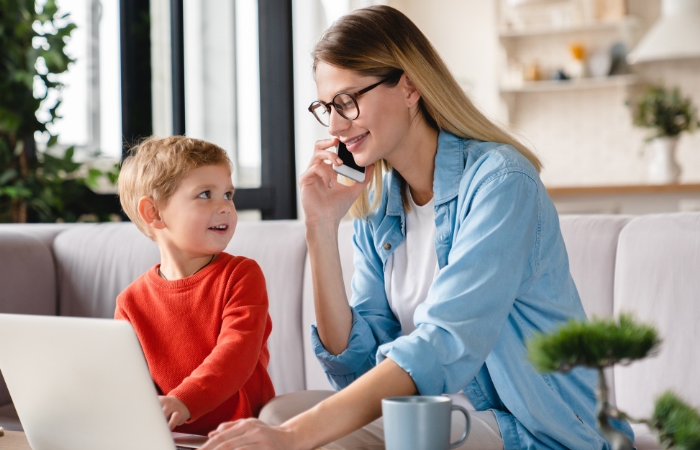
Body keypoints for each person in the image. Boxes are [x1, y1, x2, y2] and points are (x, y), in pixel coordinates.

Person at [202, 5, 633, 450]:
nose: (335, 124)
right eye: (327, 107)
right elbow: (357, 369)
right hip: (432, 416)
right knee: (279, 413)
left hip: (532, 426)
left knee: (302, 432)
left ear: (409, 87)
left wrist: (293, 436)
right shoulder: (381, 209)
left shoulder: (501, 182)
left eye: (348, 101)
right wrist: (321, 226)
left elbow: (445, 340)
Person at [115, 136, 276, 436]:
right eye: (205, 194)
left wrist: (183, 401)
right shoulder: (130, 303)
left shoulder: (241, 275)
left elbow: (235, 355)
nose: (225, 207)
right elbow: (130, 383)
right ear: (154, 213)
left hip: (240, 436)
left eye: (228, 194)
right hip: (169, 438)